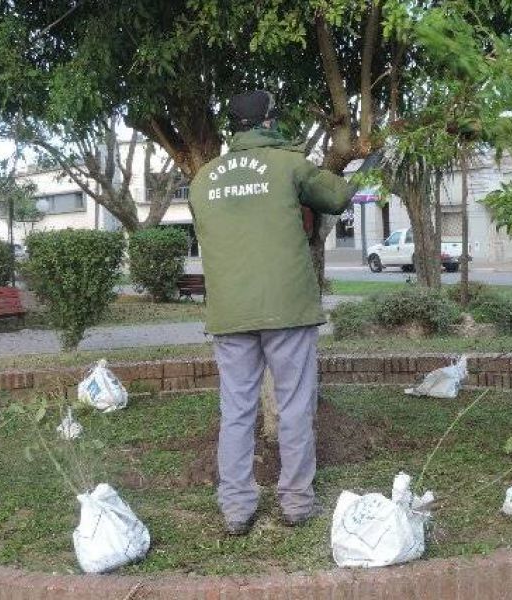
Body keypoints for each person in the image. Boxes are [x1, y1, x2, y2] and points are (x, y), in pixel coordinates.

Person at [189, 90, 356, 534]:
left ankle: (236, 509)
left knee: (237, 410)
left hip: (230, 311)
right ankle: (297, 503)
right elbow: (336, 197)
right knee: (295, 405)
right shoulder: (288, 165)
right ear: (268, 121)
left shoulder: (203, 179)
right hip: (287, 307)